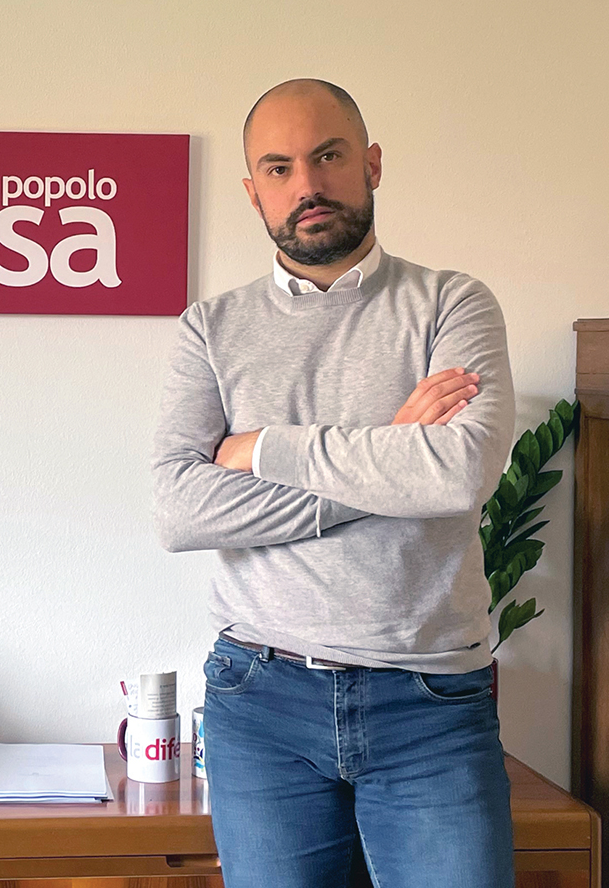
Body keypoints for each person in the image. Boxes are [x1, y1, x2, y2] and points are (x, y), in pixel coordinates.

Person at [151, 79, 517, 888]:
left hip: (429, 701)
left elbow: (458, 472)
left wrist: (264, 449)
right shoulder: (209, 329)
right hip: (262, 699)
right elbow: (180, 510)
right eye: (278, 168)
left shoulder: (451, 303)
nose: (307, 185)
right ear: (253, 192)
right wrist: (393, 453)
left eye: (328, 156)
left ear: (372, 164)